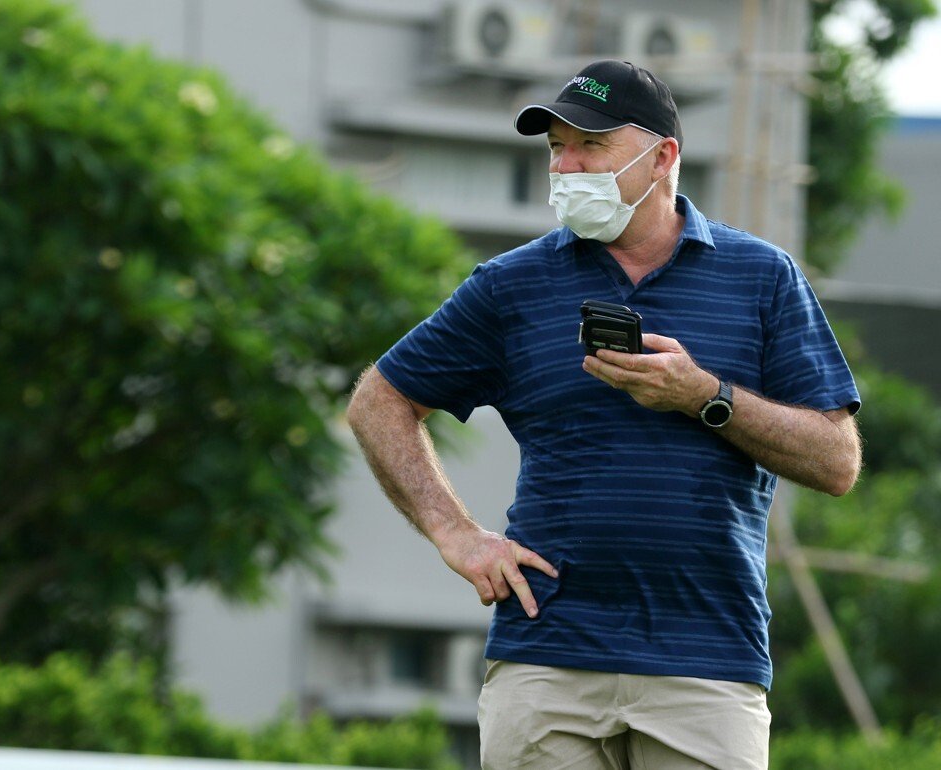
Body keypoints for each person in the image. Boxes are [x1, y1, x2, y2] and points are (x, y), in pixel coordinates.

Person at [346, 59, 861, 770]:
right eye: (557, 147)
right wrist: (455, 534)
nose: (567, 165)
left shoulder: (763, 278)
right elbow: (379, 400)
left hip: (707, 660)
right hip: (547, 654)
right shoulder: (511, 284)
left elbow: (837, 462)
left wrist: (703, 396)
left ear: (663, 157)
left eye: (591, 145)